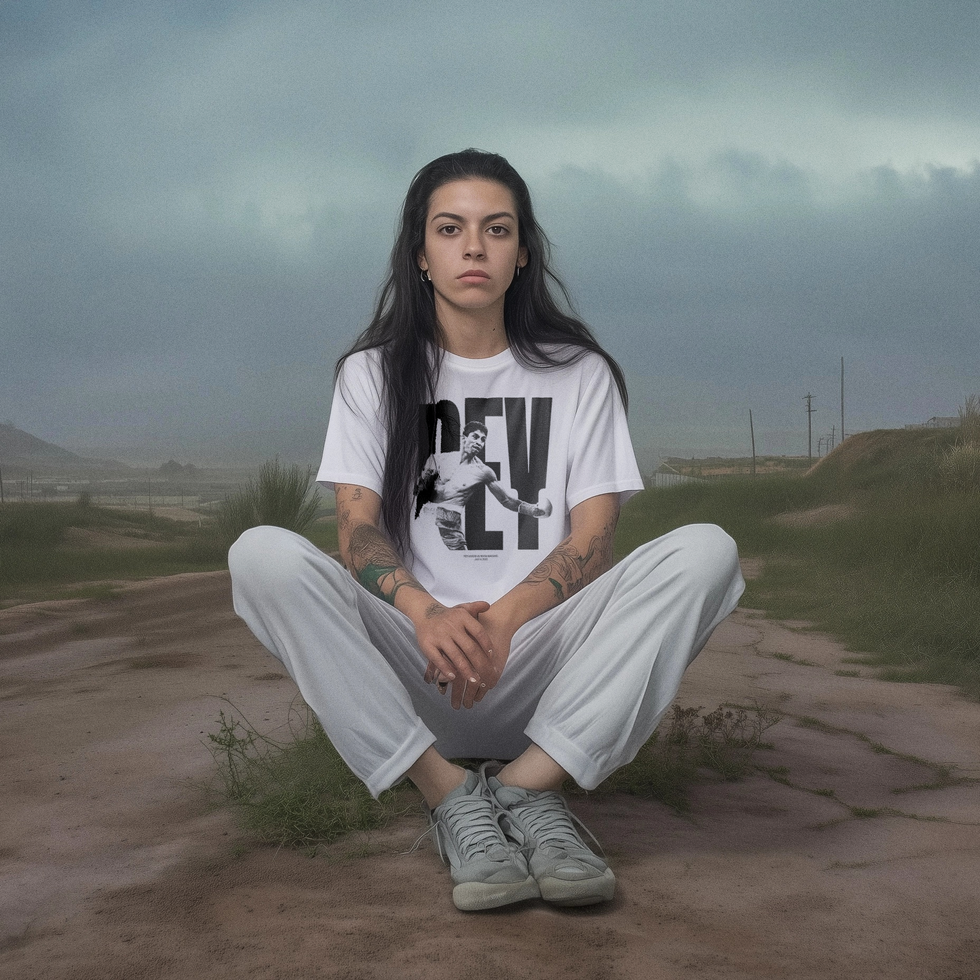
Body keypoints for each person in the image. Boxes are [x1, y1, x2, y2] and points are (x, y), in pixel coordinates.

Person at [229, 149, 744, 912]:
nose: (474, 246)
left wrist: (503, 619)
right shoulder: (370, 375)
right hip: (415, 661)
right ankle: (449, 798)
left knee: (708, 550)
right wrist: (424, 611)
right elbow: (356, 530)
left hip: (540, 658)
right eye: (451, 228)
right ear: (422, 255)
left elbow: (594, 538)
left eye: (496, 229)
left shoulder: (579, 372)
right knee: (259, 555)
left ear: (522, 252)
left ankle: (528, 788)